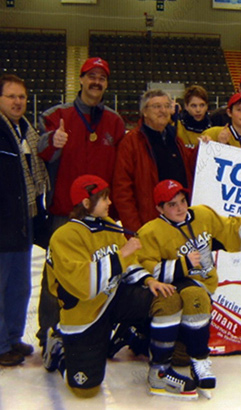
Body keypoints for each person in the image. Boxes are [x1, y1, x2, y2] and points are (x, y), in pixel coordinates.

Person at [136, 180, 241, 398]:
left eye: (182, 201)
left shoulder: (202, 215)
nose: (181, 208)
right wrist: (183, 264)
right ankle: (199, 360)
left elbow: (229, 231)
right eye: (172, 205)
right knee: (194, 294)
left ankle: (178, 353)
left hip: (203, 288)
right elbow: (146, 268)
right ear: (159, 209)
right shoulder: (150, 232)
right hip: (174, 292)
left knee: (181, 354)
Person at [43, 175, 169, 398]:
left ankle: (133, 336)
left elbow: (129, 265)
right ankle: (59, 347)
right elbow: (86, 286)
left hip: (113, 299)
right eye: (104, 198)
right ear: (85, 203)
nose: (110, 203)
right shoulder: (64, 236)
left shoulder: (110, 225)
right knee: (85, 390)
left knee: (163, 299)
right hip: (86, 313)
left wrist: (149, 281)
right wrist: (123, 254)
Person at [36, 58, 125, 346]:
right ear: (82, 79)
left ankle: (97, 328)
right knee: (57, 276)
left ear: (106, 84)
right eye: (91, 76)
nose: (96, 82)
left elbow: (120, 168)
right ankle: (49, 332)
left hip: (100, 215)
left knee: (104, 272)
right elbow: (41, 154)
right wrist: (53, 140)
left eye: (102, 77)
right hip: (65, 211)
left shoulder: (115, 121)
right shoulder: (56, 115)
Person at [0, 74, 50, 366]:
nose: (18, 102)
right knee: (2, 285)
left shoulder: (26, 130)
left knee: (19, 285)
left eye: (22, 97)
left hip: (25, 216)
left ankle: (14, 337)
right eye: (11, 96)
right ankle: (2, 343)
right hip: (4, 219)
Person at [112, 89, 196, 233]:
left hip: (181, 223)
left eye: (167, 106)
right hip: (150, 226)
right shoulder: (130, 143)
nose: (163, 110)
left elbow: (192, 170)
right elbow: (122, 192)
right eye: (157, 106)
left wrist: (205, 147)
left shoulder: (176, 139)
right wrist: (134, 231)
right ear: (144, 111)